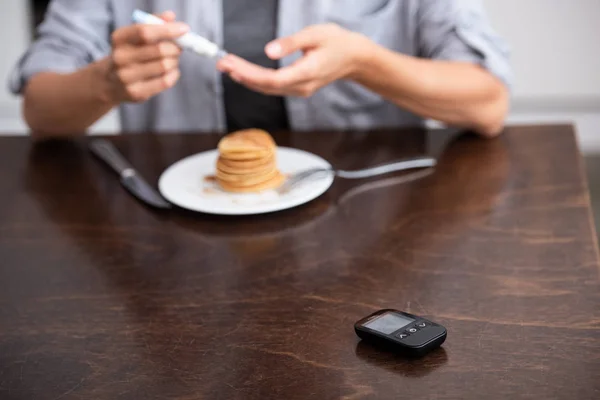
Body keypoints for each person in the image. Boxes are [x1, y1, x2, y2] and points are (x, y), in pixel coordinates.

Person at [9, 0, 512, 140]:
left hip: (369, 232)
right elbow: (41, 109)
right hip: (176, 241)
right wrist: (105, 82)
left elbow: (488, 104)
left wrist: (365, 62)